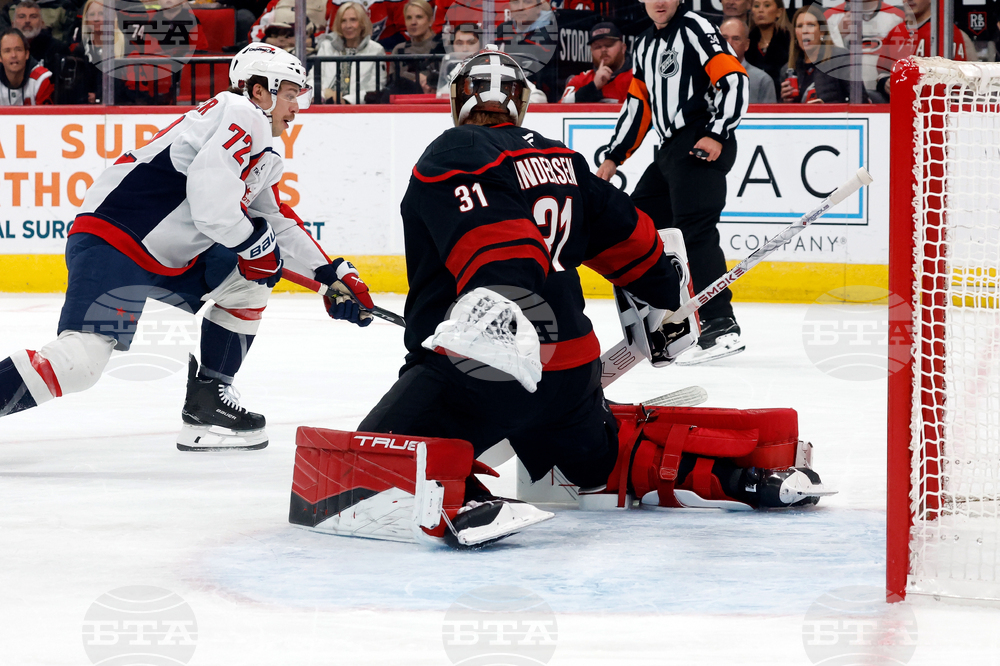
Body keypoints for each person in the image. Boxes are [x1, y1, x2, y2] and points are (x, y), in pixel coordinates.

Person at [288, 47, 832, 548]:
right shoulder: (562, 159)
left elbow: (499, 253)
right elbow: (636, 240)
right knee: (595, 462)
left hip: (481, 373)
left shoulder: (454, 150)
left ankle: (464, 499)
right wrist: (669, 298)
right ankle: (744, 476)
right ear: (521, 103)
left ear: (457, 101)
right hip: (572, 372)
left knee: (360, 465)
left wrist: (504, 312)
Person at [0, 43, 375, 452]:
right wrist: (255, 246)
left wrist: (330, 274)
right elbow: (211, 202)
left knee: (251, 279)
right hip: (118, 238)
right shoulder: (241, 114)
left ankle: (208, 401)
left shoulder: (260, 144)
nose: (296, 106)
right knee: (81, 363)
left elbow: (276, 220)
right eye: (288, 94)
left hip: (166, 253)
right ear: (258, 92)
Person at [596, 0, 749, 365]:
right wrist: (614, 156)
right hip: (668, 151)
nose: (659, 1)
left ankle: (720, 324)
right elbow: (639, 105)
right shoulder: (646, 43)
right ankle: (670, 315)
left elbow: (733, 78)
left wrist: (718, 132)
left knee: (694, 232)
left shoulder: (697, 28)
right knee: (636, 223)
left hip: (699, 141)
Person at [824, 0, 910, 102]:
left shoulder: (897, 16)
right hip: (844, 96)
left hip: (885, 95)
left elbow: (904, 58)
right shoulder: (830, 16)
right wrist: (838, 33)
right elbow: (822, 59)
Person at [781, 5, 866, 104]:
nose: (805, 31)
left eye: (811, 25)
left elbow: (860, 99)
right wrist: (786, 101)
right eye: (800, 26)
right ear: (795, 33)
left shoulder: (840, 58)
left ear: (822, 32)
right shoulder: (788, 69)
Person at [314, 1, 386, 104]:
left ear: (362, 23)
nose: (348, 26)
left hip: (357, 108)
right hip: (324, 103)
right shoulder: (326, 47)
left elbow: (375, 88)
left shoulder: (376, 50)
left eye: (353, 20)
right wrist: (322, 96)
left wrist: (347, 101)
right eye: (343, 21)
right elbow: (313, 80)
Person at [497, 0, 560, 101]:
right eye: (515, 2)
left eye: (527, 2)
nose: (520, 7)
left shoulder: (550, 35)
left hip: (539, 103)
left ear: (539, 7)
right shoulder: (501, 31)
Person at [559, 20, 633, 103]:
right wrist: (593, 87)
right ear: (591, 51)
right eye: (597, 47)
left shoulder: (637, 78)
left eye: (609, 45)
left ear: (623, 48)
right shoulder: (580, 80)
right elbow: (559, 109)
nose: (603, 50)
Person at [11, 0, 66, 92]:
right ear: (12, 24)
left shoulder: (57, 49)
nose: (27, 21)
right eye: (22, 17)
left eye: (33, 17)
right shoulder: (3, 48)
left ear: (42, 24)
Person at [720, 16, 775, 103]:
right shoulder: (702, 78)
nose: (729, 44)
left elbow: (769, 116)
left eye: (736, 39)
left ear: (746, 45)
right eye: (724, 38)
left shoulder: (762, 80)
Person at [745, 0, 791, 98]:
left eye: (767, 5)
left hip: (783, 101)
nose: (760, 10)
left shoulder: (790, 40)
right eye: (756, 6)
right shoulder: (746, 42)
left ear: (779, 12)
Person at [389, 0, 443, 83]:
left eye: (419, 17)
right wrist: (417, 78)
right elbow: (393, 82)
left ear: (430, 20)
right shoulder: (399, 50)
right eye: (409, 18)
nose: (413, 22)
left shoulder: (443, 46)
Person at [0, 26, 53, 104]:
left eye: (18, 50)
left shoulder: (41, 79)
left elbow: (46, 116)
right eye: (7, 51)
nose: (13, 55)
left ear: (27, 54)